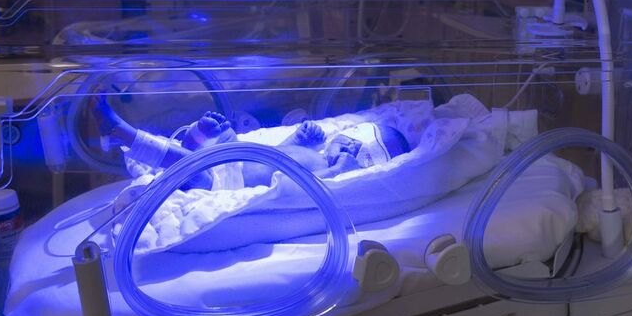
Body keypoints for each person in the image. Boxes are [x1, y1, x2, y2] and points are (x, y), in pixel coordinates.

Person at [91, 98, 411, 190]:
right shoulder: (314, 152)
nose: (352, 149)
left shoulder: (327, 172)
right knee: (216, 139)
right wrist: (298, 137)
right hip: (232, 156)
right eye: (353, 141)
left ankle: (124, 134)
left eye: (366, 154)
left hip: (226, 182)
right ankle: (197, 139)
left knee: (190, 168)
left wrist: (342, 169)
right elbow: (280, 153)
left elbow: (309, 188)